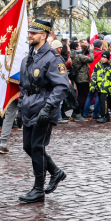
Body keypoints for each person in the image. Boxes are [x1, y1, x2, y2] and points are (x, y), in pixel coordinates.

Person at [17, 19, 71, 203]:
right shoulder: (28, 58)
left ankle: (38, 189)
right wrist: (20, 108)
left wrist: (48, 107)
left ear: (44, 35)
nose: (30, 35)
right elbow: (23, 86)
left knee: (37, 147)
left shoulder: (53, 58)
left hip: (43, 108)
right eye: (29, 32)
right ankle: (56, 172)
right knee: (27, 147)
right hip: (29, 108)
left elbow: (62, 86)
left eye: (33, 33)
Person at [90, 49, 111, 123]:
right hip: (99, 87)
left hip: (107, 88)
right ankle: (106, 116)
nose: (103, 59)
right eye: (102, 57)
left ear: (108, 58)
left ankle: (104, 116)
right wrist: (92, 85)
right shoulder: (98, 65)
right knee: (102, 102)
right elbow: (94, 76)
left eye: (105, 58)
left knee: (104, 102)